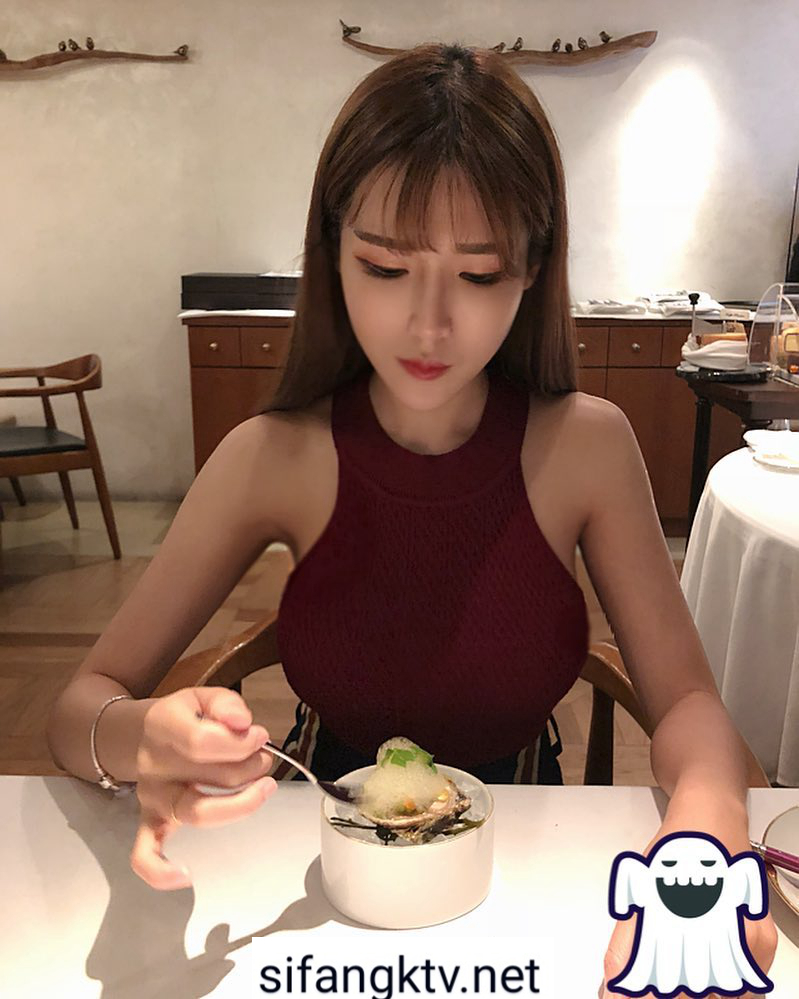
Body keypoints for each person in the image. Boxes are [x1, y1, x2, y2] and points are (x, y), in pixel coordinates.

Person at [46, 42, 776, 995]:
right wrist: (142, 735)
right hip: (314, 869)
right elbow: (80, 707)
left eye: (479, 276)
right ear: (331, 250)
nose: (429, 326)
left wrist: (706, 834)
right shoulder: (274, 454)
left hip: (527, 861)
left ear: (532, 270)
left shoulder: (585, 446)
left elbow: (684, 704)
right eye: (384, 266)